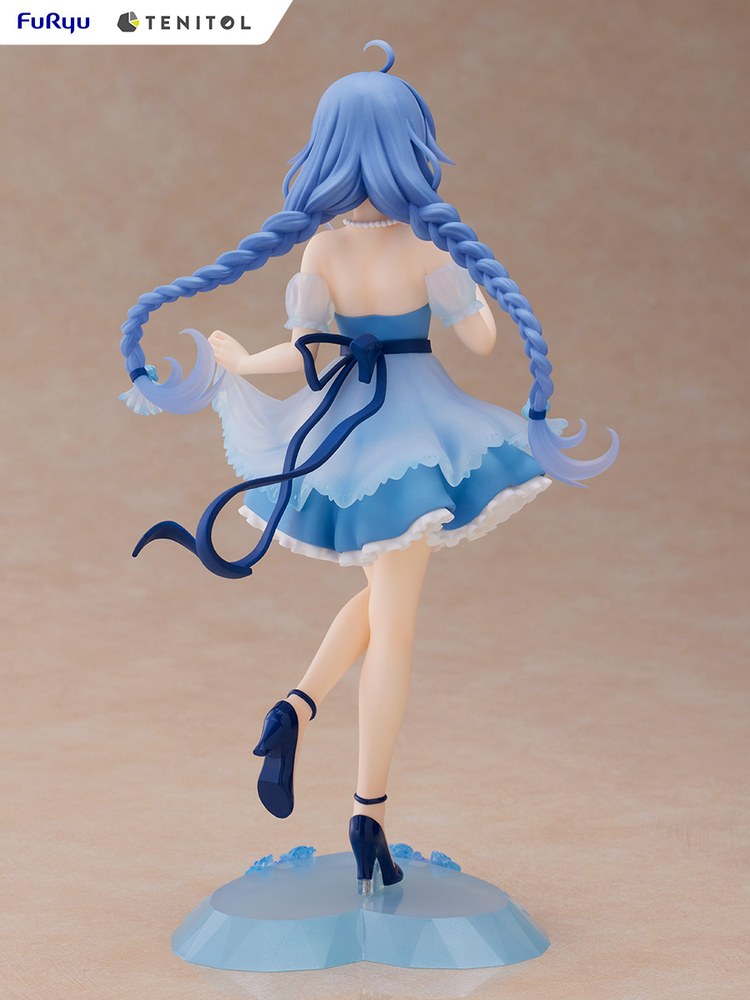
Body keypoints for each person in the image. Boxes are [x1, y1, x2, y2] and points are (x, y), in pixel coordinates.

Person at [119, 41, 618, 895]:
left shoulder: (321, 252)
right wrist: (464, 281)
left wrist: (238, 361)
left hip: (351, 431)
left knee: (386, 596)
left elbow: (300, 353)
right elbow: (481, 341)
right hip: (417, 435)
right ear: (408, 148)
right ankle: (367, 811)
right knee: (398, 623)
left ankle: (295, 711)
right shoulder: (425, 249)